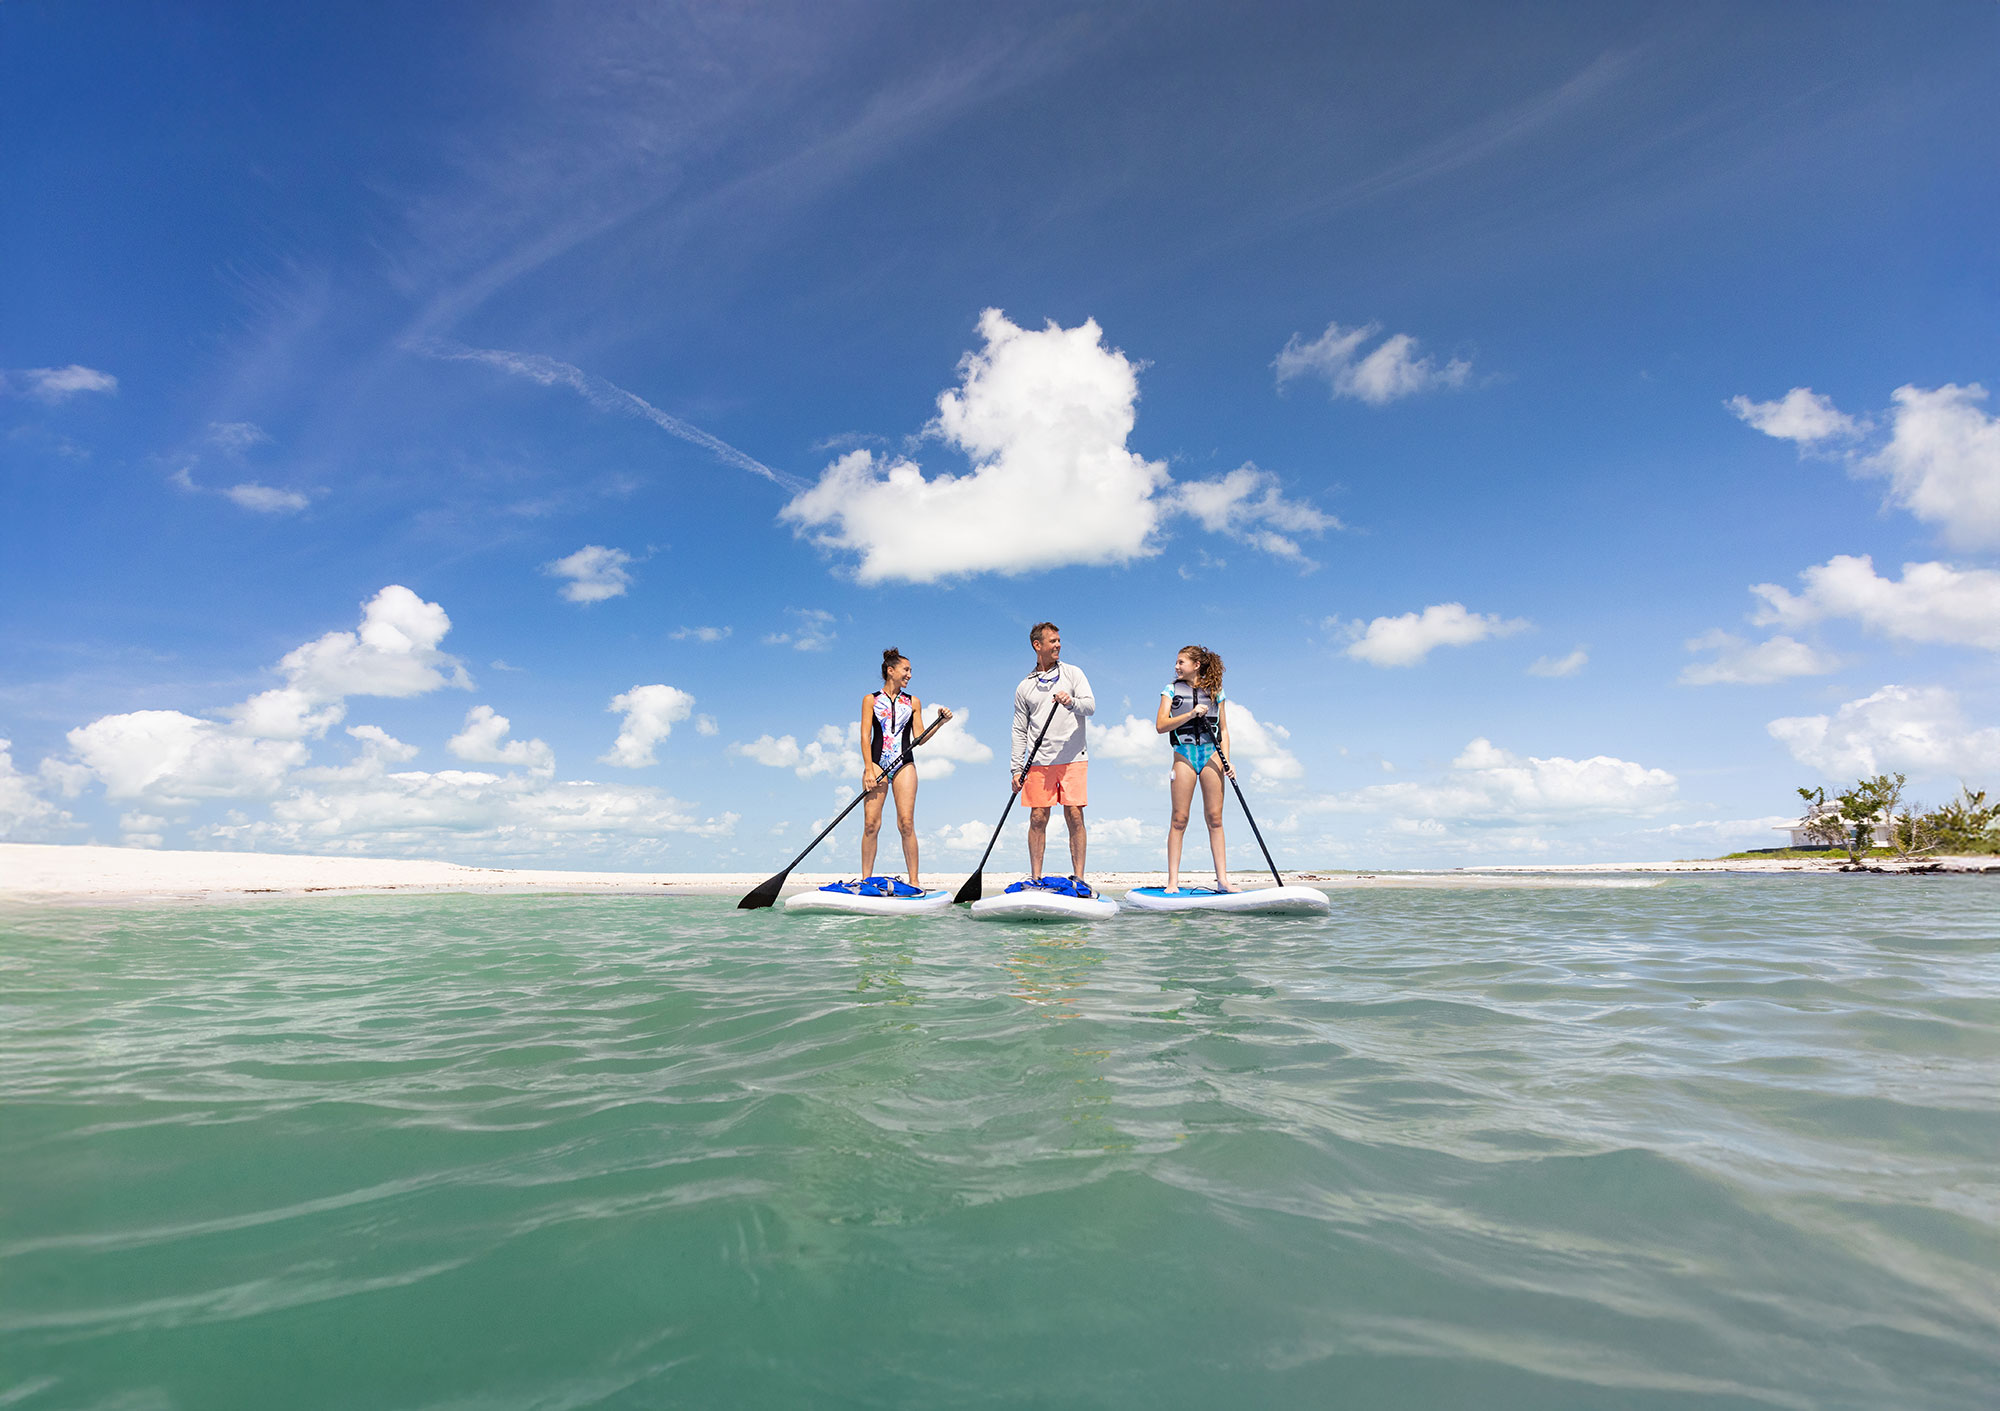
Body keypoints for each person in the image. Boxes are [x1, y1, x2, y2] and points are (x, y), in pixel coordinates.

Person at [1011, 621, 1095, 886]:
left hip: (1073, 758)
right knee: (1037, 817)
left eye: (1059, 640)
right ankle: (1035, 877)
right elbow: (1019, 729)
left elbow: (1090, 706)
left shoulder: (1073, 674)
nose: (1058, 645)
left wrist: (1071, 703)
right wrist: (1016, 768)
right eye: (1053, 641)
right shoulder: (1025, 686)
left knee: (1074, 815)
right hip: (1038, 762)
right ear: (1038, 645)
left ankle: (1079, 878)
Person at [860, 648, 951, 885]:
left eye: (910, 671)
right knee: (871, 824)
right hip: (877, 765)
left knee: (906, 823)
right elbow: (864, 736)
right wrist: (869, 769)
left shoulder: (912, 702)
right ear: (891, 671)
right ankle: (866, 880)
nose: (910, 675)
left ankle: (914, 881)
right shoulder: (871, 700)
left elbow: (919, 738)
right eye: (906, 670)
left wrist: (940, 722)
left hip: (904, 765)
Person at [1155, 644, 1233, 892]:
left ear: (1196, 665)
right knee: (1179, 819)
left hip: (1212, 755)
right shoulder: (1170, 690)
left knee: (1215, 818)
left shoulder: (1215, 692)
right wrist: (1190, 714)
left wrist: (1227, 760)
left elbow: (1225, 729)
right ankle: (1172, 882)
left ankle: (1223, 880)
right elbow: (1160, 725)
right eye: (1176, 663)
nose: (1176, 667)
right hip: (1184, 754)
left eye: (1181, 662)